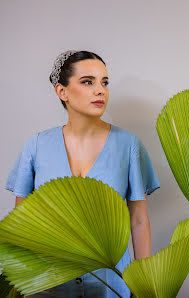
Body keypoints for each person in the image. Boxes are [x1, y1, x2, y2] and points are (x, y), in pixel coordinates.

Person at [4, 50, 160, 297]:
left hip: (113, 283)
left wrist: (145, 287)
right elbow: (22, 223)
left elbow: (139, 220)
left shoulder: (129, 145)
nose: (101, 90)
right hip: (50, 283)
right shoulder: (36, 146)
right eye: (88, 82)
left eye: (104, 82)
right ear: (61, 91)